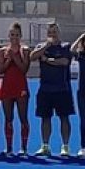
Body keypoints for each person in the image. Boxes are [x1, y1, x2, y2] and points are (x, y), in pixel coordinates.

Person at [30, 23, 74, 157]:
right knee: (45, 118)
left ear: (59, 33)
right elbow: (32, 57)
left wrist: (48, 60)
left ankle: (65, 146)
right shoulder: (42, 46)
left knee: (64, 118)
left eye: (55, 32)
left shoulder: (66, 47)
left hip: (62, 89)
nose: (52, 34)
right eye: (50, 32)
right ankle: (45, 146)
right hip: (45, 89)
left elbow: (64, 62)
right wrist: (46, 47)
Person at [0, 22, 31, 156]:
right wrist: (7, 59)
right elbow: (1, 70)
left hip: (21, 87)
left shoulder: (25, 50)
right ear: (8, 36)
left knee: (23, 117)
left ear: (21, 36)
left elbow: (24, 69)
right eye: (12, 35)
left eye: (17, 35)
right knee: (8, 117)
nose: (14, 37)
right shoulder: (3, 51)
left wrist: (15, 57)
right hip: (7, 86)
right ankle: (9, 147)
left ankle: (24, 147)